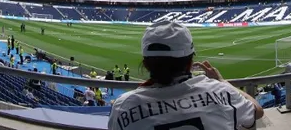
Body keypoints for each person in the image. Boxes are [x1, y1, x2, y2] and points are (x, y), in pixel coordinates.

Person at [108, 21, 262, 130]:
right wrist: (222, 81)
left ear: (146, 63)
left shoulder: (123, 107)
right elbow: (257, 110)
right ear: (190, 62)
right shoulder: (221, 92)